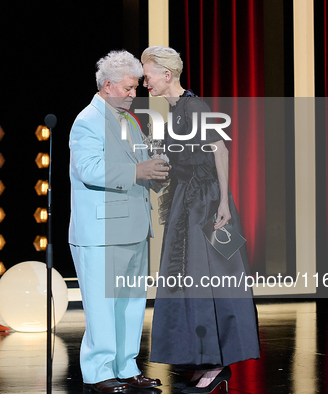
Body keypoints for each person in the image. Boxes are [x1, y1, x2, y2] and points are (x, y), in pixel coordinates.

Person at [141, 46, 260, 393]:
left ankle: (217, 364)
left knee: (210, 279)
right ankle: (202, 358)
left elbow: (219, 149)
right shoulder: (177, 110)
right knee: (189, 279)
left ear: (167, 74)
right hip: (187, 200)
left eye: (148, 74)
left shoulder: (193, 106)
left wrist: (223, 200)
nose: (145, 81)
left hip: (205, 202)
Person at [69, 50, 167, 393]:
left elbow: (139, 168)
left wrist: (157, 170)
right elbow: (89, 169)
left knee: (130, 304)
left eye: (135, 87)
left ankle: (126, 366)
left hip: (133, 227)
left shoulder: (130, 121)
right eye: (127, 88)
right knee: (102, 306)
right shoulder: (88, 120)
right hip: (102, 231)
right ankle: (98, 372)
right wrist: (137, 170)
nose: (133, 93)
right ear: (107, 85)